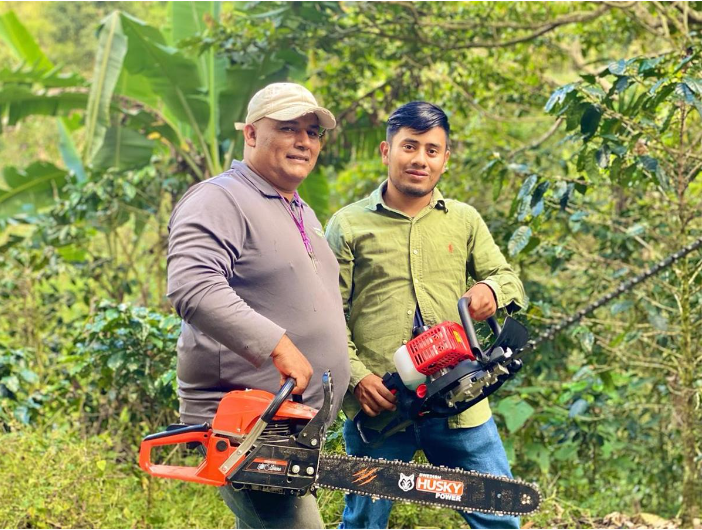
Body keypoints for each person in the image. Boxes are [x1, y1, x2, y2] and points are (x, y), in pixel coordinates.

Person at [325, 101, 526, 529]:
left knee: (502, 514)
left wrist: (491, 290)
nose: (420, 159)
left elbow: (507, 277)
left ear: (445, 159)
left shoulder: (464, 220)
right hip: (380, 404)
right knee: (363, 523)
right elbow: (326, 316)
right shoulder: (348, 225)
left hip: (460, 398)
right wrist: (358, 378)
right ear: (386, 151)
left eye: (432, 150)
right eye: (410, 146)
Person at [167, 82, 351, 529]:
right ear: (250, 134)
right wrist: (277, 345)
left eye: (313, 132)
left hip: (290, 424)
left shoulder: (302, 210)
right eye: (288, 128)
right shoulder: (220, 198)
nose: (304, 141)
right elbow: (192, 286)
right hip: (247, 424)